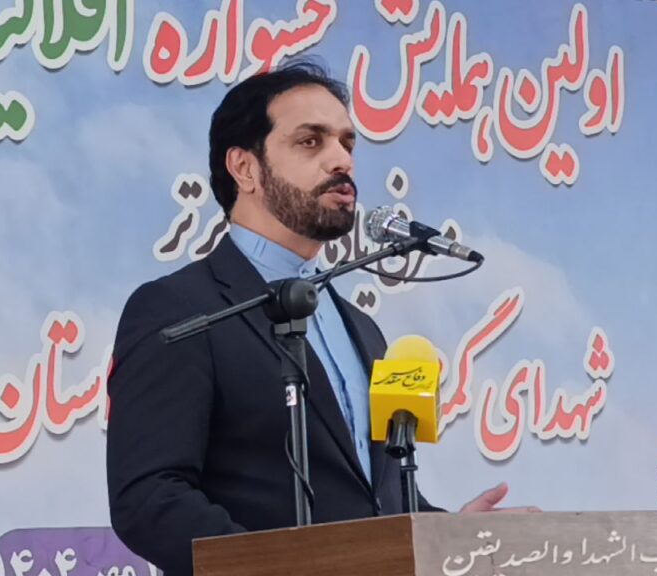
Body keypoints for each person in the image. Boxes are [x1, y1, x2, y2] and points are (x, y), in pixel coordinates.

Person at [107, 61, 524, 576]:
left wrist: (448, 536)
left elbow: (373, 500)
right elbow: (150, 499)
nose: (341, 160)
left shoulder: (362, 329)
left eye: (347, 143)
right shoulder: (180, 309)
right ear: (245, 168)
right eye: (310, 142)